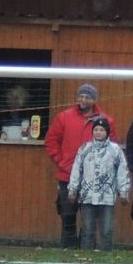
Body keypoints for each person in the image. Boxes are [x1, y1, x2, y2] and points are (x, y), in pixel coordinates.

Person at [45, 84, 100, 247]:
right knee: (67, 214)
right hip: (67, 175)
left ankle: (86, 249)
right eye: (81, 96)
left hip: (92, 177)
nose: (83, 100)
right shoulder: (64, 117)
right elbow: (51, 141)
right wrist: (61, 161)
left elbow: (112, 146)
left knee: (89, 216)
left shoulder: (104, 120)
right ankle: (67, 248)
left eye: (87, 97)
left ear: (94, 99)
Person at [66, 115, 131, 251]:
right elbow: (76, 170)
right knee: (87, 230)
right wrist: (72, 190)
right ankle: (85, 256)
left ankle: (106, 256)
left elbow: (122, 171)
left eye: (102, 130)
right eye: (96, 129)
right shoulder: (84, 148)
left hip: (107, 198)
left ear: (107, 132)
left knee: (107, 230)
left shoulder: (115, 150)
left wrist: (124, 191)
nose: (98, 132)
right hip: (87, 197)